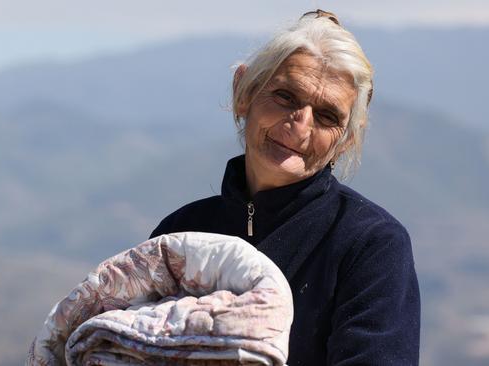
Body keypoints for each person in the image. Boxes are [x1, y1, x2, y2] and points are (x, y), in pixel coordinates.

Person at [149, 9, 420, 366]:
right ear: (243, 92)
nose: (301, 126)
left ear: (346, 140)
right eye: (285, 97)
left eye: (326, 116)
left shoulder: (370, 246)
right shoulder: (180, 234)